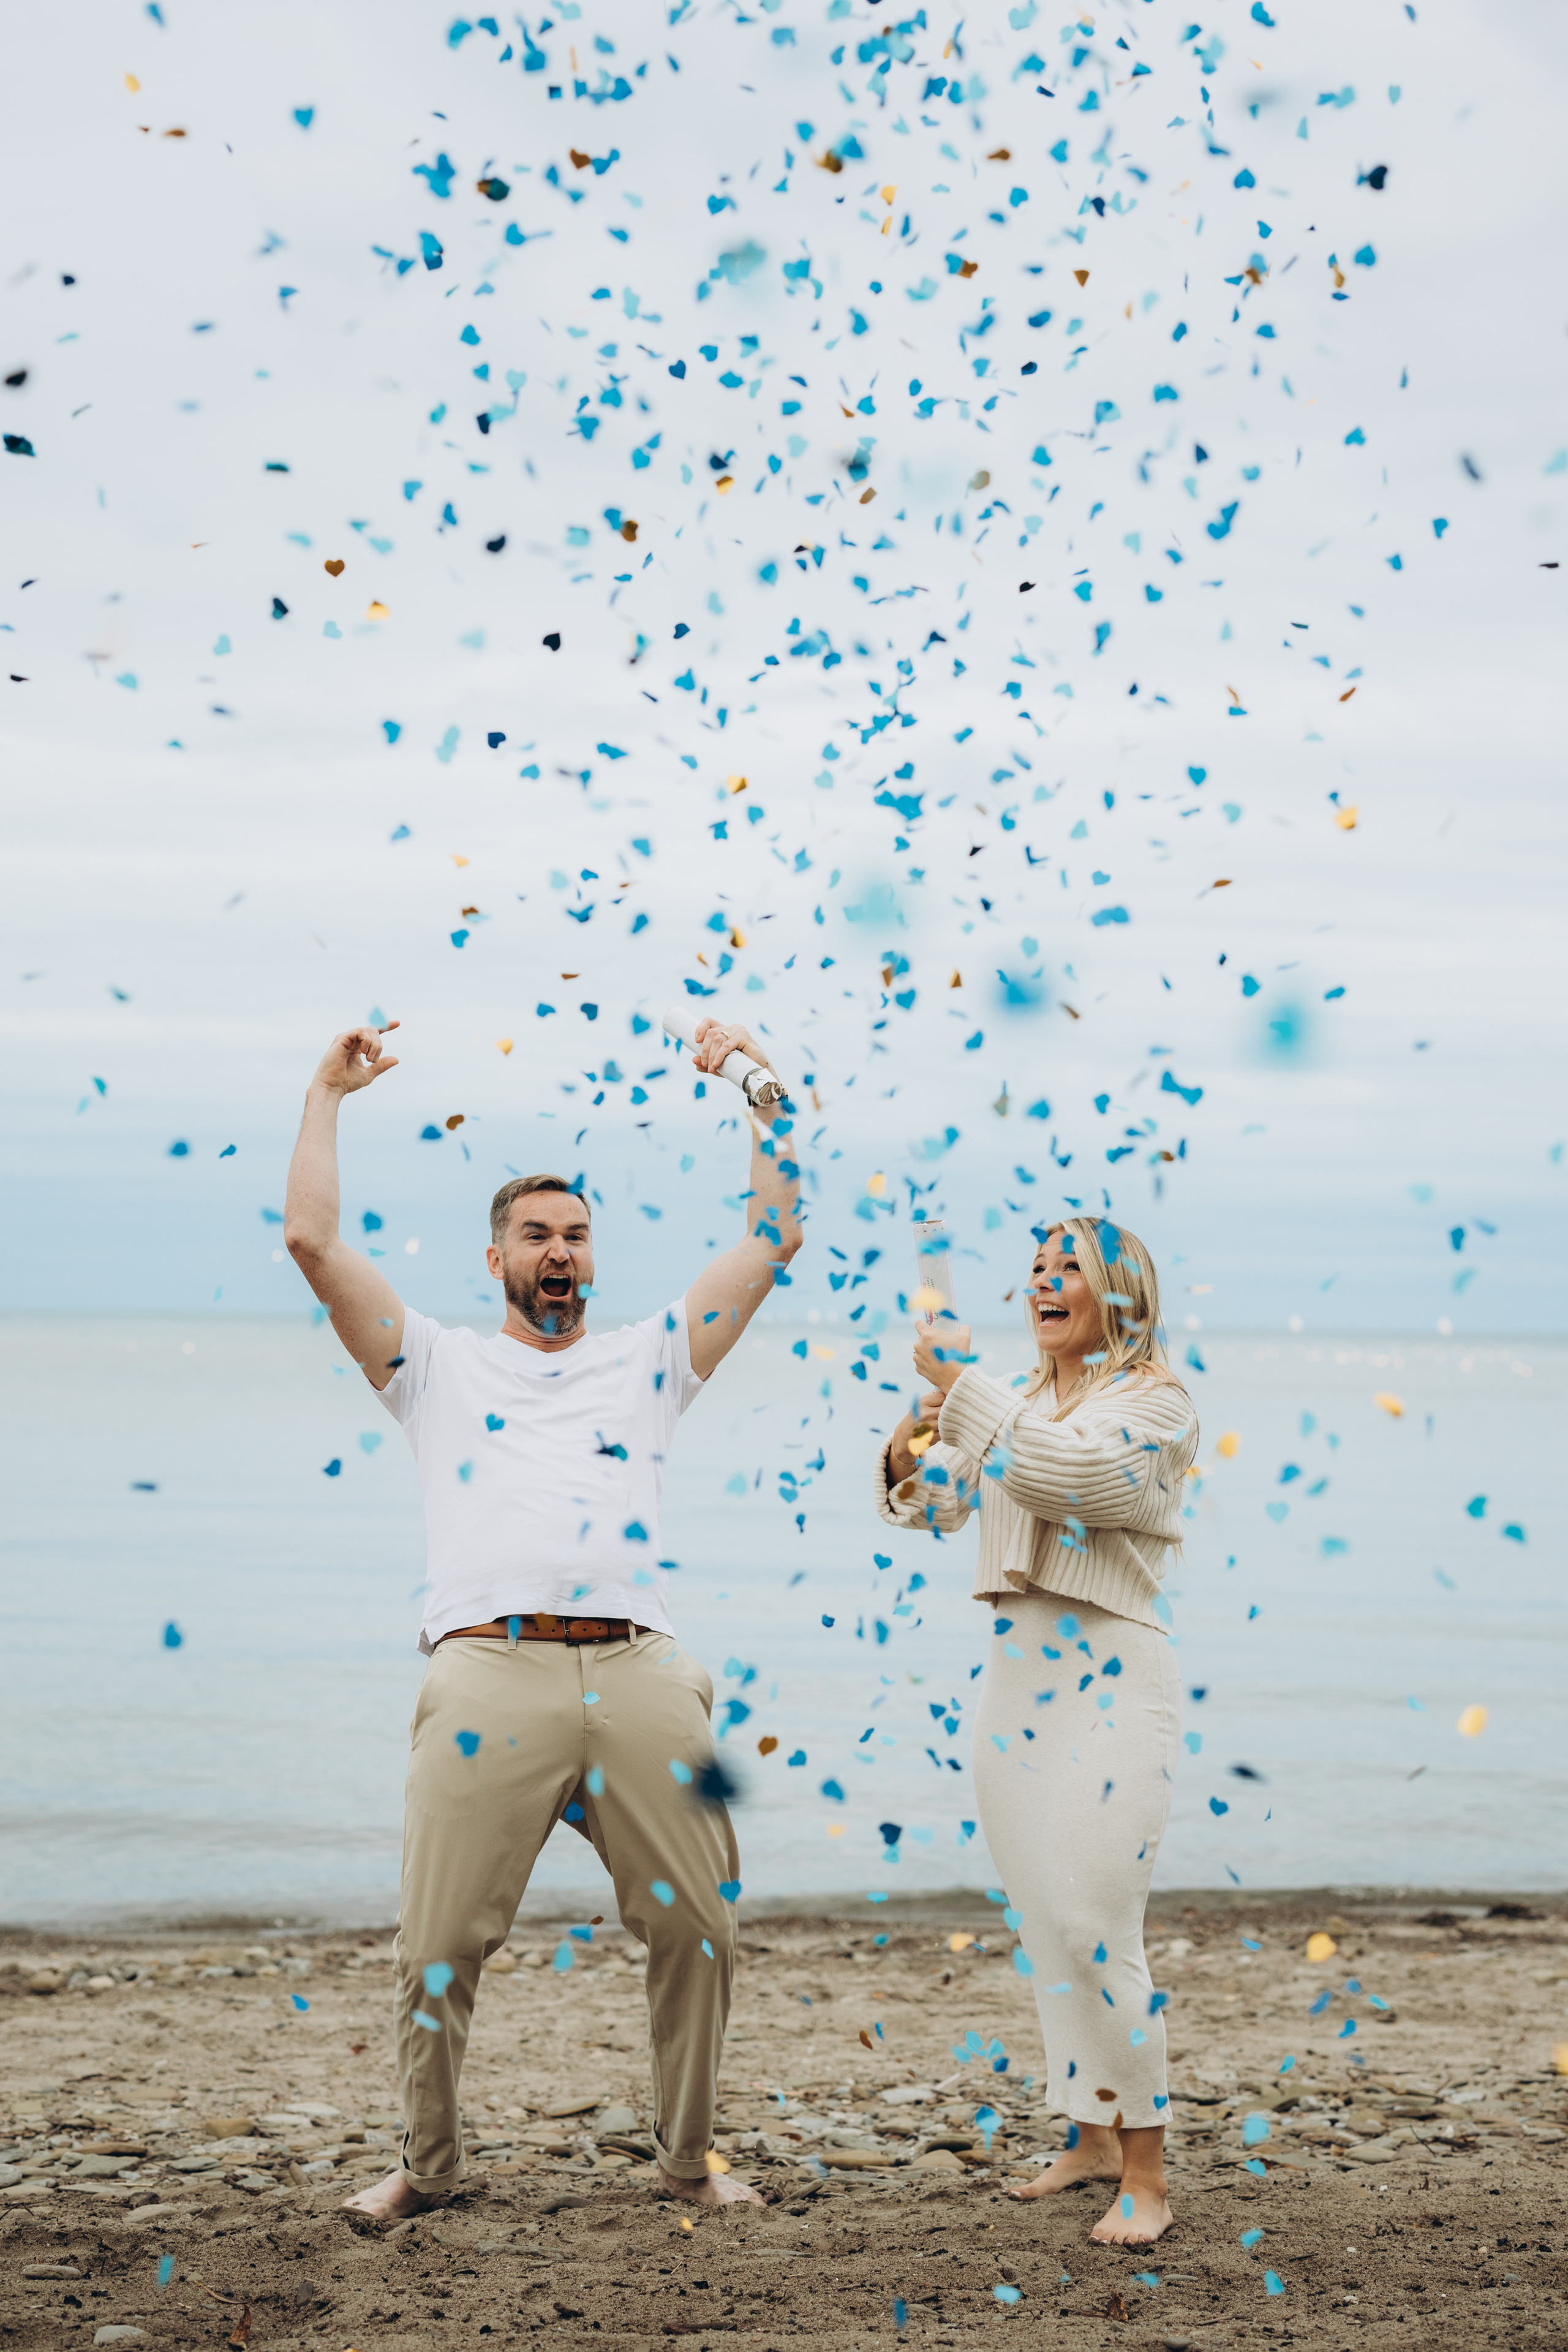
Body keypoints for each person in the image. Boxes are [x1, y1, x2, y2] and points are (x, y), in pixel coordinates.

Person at [282, 1015, 802, 2219]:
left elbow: (772, 1236)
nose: (558, 1252)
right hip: (486, 1674)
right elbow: (311, 1240)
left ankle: (685, 2163)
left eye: (574, 1236)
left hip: (638, 1670)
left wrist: (749, 1078)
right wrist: (326, 1091)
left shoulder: (650, 1361)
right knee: (435, 1949)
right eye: (535, 1235)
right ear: (497, 1258)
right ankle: (427, 2166)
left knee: (699, 1932)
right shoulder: (433, 1364)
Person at [876, 1216, 1196, 2246]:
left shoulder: (1158, 1401)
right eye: (1037, 1270)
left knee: (1100, 1923)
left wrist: (972, 1393)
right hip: (1016, 1682)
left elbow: (1083, 1481)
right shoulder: (1018, 1397)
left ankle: (1146, 2173)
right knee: (1048, 1929)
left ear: (1122, 1295)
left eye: (1071, 1270)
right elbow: (932, 1509)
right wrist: (916, 1437)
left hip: (1114, 1676)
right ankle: (1089, 2135)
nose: (1045, 1285)